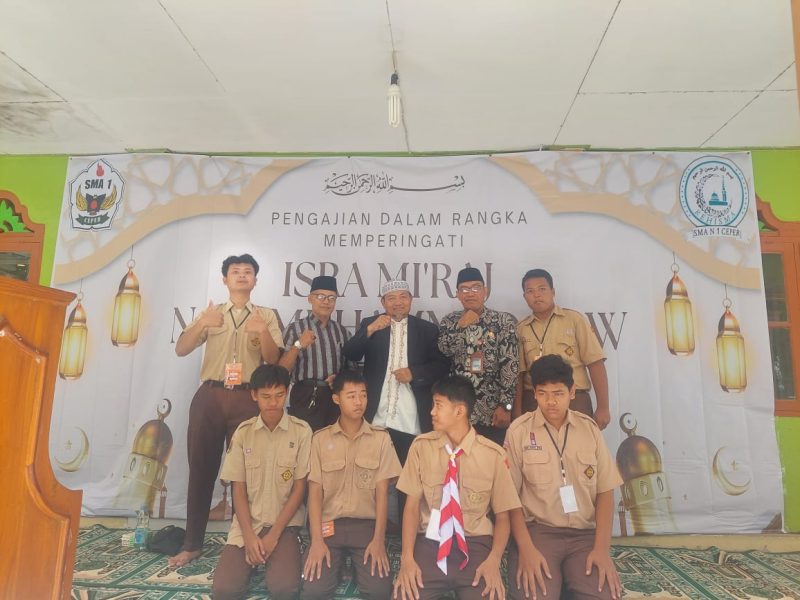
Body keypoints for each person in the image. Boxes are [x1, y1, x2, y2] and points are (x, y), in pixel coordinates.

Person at [170, 253, 283, 567]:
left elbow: (274, 360)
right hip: (210, 395)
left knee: (248, 474)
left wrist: (262, 332)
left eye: (248, 271)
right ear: (225, 279)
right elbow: (181, 348)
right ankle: (192, 544)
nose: (242, 275)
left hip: (247, 399)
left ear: (256, 280)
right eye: (235, 271)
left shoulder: (265, 315)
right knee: (201, 469)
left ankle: (246, 542)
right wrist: (202, 324)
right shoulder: (212, 313)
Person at [505, 354, 622, 600]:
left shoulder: (589, 430)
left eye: (558, 393)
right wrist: (525, 549)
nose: (550, 402)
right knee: (534, 595)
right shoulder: (518, 432)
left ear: (572, 391)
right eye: (543, 393)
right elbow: (509, 499)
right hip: (538, 533)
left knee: (602, 594)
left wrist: (602, 550)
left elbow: (605, 492)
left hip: (583, 535)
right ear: (534, 394)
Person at [393, 375, 521, 600]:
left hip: (475, 544)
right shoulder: (421, 447)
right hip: (430, 542)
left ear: (459, 411)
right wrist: (407, 559)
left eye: (438, 405)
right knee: (404, 595)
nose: (432, 412)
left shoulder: (493, 455)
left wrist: (493, 560)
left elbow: (503, 516)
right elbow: (411, 508)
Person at [211, 365, 311, 600]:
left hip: (284, 525)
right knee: (224, 591)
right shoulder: (243, 433)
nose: (273, 403)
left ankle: (286, 549)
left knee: (284, 589)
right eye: (266, 396)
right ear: (254, 395)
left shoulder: (301, 432)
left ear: (287, 393)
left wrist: (273, 535)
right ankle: (252, 558)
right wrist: (248, 536)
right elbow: (238, 490)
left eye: (279, 395)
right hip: (248, 524)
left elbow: (299, 489)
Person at [302, 370, 402, 600]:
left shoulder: (381, 439)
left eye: (363, 395)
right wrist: (316, 541)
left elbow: (383, 494)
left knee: (378, 591)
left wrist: (379, 541)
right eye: (352, 396)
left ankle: (356, 568)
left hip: (366, 527)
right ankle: (338, 568)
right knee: (314, 591)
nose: (359, 402)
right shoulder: (320, 439)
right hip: (329, 526)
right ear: (336, 399)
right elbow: (315, 494)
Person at [343, 279, 450, 464]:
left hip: (410, 419)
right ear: (383, 302)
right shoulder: (371, 324)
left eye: (403, 297)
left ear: (411, 299)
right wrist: (370, 329)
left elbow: (441, 366)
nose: (398, 302)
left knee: (407, 474)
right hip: (376, 417)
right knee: (371, 472)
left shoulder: (427, 329)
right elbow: (351, 353)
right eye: (391, 298)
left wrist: (414, 374)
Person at [515, 268, 610, 430]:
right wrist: (517, 413)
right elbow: (519, 375)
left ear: (553, 292)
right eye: (530, 291)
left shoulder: (574, 320)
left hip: (575, 401)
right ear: (525, 297)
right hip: (535, 403)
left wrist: (603, 407)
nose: (536, 295)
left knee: (578, 446)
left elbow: (595, 363)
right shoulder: (521, 329)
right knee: (537, 447)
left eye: (542, 289)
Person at [438, 267, 518, 446]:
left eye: (476, 287)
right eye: (464, 289)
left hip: (492, 411)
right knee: (458, 458)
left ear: (485, 291)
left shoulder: (502, 321)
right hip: (458, 409)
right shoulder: (449, 321)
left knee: (491, 459)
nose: (470, 293)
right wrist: (460, 327)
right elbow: (445, 350)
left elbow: (510, 365)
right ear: (457, 294)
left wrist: (506, 406)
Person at [279, 275, 349, 431]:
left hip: (335, 397)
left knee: (333, 442)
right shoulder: (295, 329)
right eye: (320, 296)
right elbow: (281, 370)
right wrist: (298, 345)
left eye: (331, 298)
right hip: (304, 395)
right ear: (310, 298)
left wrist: (339, 379)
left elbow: (351, 369)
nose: (326, 301)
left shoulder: (343, 332)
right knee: (304, 443)